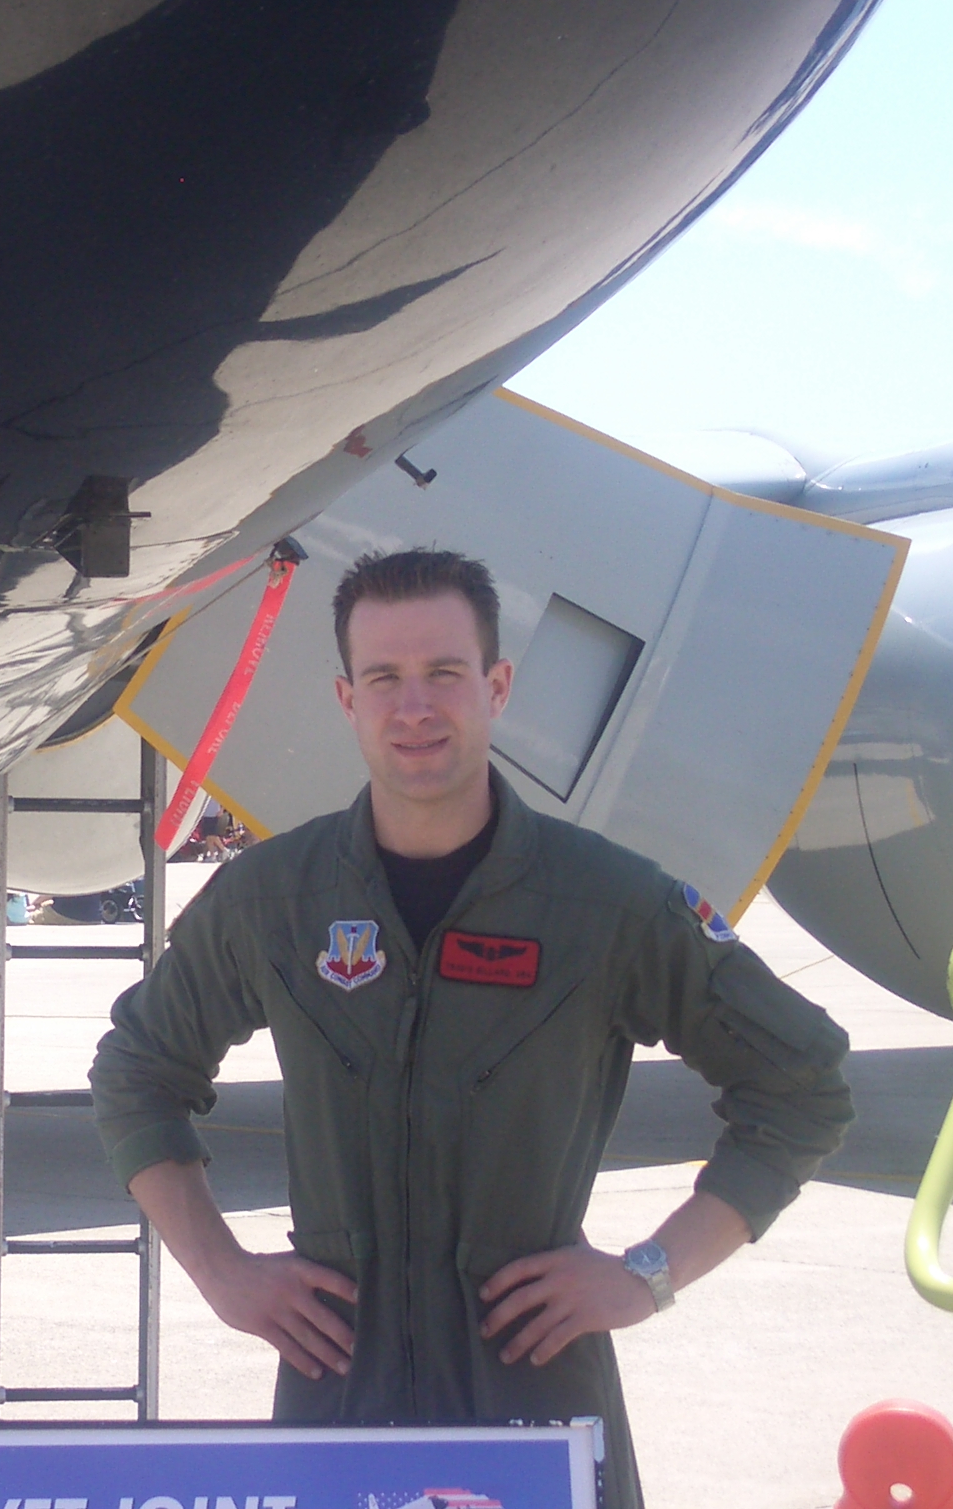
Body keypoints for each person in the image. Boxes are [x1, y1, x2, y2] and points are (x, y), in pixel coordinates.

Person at [91, 547, 852, 1508]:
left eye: (445, 674)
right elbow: (136, 1072)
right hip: (338, 1414)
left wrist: (649, 1274)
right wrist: (222, 1272)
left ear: (495, 687)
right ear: (346, 699)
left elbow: (803, 1081)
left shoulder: (605, 904)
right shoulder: (273, 900)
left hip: (536, 1414)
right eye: (385, 679)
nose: (416, 707)